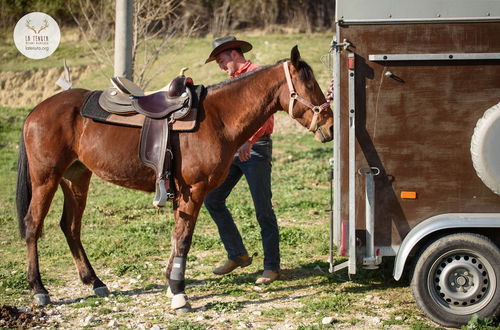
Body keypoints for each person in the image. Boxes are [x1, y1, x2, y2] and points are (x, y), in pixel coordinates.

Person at [204, 36, 280, 285]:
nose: (219, 65)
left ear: (234, 54)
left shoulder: (258, 75)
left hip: (255, 148)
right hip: (235, 150)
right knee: (213, 199)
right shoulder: (231, 82)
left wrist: (249, 141)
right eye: (217, 61)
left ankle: (272, 266)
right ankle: (237, 254)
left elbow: (266, 114)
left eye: (221, 59)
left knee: (262, 209)